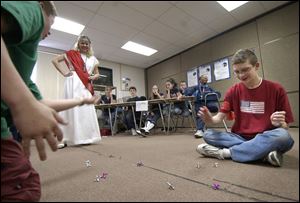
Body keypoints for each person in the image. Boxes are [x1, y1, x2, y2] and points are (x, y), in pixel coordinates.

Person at [2, 1, 63, 201]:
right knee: (23, 187)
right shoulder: (35, 10)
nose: (50, 32)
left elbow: (41, 104)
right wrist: (21, 103)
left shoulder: (20, 61)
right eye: (51, 25)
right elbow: (30, 104)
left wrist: (81, 101)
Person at [196, 49, 294, 167]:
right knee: (208, 134)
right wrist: (210, 120)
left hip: (267, 135)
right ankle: (262, 153)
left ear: (256, 66)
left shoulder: (277, 89)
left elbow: (285, 127)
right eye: (237, 72)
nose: (241, 75)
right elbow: (219, 117)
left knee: (283, 136)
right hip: (240, 136)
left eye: (245, 70)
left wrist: (278, 124)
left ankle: (226, 153)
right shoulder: (233, 90)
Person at [52, 35, 101, 148]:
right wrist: (64, 73)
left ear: (89, 45)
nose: (84, 45)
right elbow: (54, 60)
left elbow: (97, 73)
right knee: (70, 108)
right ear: (78, 44)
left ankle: (87, 137)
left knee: (85, 109)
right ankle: (65, 138)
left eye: (86, 43)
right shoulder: (71, 54)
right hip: (73, 81)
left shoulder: (93, 59)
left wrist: (94, 77)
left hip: (86, 85)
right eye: (82, 43)